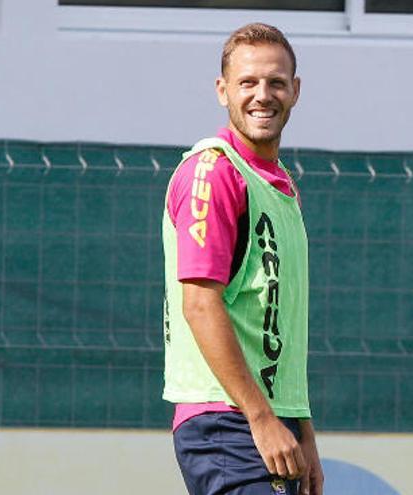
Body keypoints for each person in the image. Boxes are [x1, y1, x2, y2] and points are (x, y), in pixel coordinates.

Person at [161, 22, 323, 495]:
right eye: (247, 82)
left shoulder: (278, 184)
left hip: (269, 422)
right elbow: (199, 304)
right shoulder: (213, 173)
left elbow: (278, 324)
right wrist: (261, 418)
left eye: (275, 82)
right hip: (227, 421)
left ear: (295, 91)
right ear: (222, 90)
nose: (262, 95)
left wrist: (301, 428)